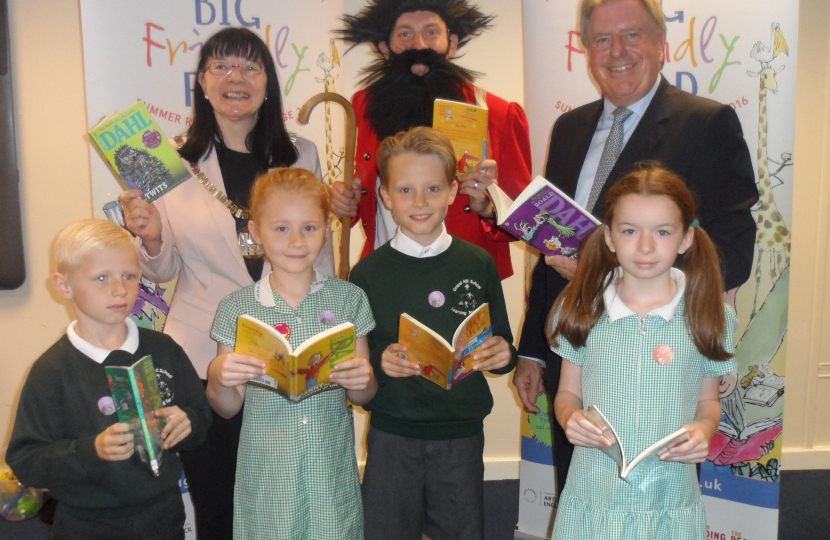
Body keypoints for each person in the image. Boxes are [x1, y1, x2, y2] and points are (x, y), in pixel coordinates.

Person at [512, 0, 758, 492]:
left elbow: (734, 245)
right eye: (602, 39)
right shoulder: (569, 129)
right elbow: (551, 246)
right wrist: (534, 351)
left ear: (661, 44)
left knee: (656, 496)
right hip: (575, 352)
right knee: (580, 492)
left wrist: (623, 274)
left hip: (659, 358)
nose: (617, 51)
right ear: (587, 50)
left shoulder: (707, 123)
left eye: (632, 35)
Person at [118, 28, 327, 539]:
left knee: (286, 502)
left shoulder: (302, 155)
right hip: (203, 357)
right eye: (221, 66)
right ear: (203, 83)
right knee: (218, 505)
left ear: (268, 83)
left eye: (250, 67)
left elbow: (318, 257)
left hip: (289, 354)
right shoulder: (170, 160)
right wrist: (150, 236)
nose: (236, 78)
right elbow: (163, 272)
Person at [549, 166, 737, 539]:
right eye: (630, 231)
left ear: (686, 238)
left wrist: (704, 429)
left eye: (663, 232)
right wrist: (570, 417)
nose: (646, 246)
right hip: (594, 494)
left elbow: (708, 401)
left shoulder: (710, 315)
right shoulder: (580, 307)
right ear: (609, 236)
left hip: (669, 498)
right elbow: (567, 393)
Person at [349, 127, 517, 540]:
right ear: (386, 196)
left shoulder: (477, 262)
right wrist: (381, 363)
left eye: (432, 189)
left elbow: (502, 345)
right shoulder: (367, 272)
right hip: (393, 432)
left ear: (452, 191)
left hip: (460, 433)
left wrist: (502, 355)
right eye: (405, 190)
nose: (420, 202)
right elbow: (361, 360)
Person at [7, 219, 211, 540]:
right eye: (102, 278)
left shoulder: (164, 349)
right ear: (64, 286)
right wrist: (91, 451)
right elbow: (26, 461)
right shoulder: (51, 371)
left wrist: (188, 423)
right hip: (86, 524)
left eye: (129, 276)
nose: (119, 290)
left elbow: (200, 418)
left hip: (163, 516)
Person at [206, 168, 377, 540]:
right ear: (256, 232)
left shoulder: (349, 299)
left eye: (310, 228)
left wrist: (363, 379)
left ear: (326, 228)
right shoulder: (237, 308)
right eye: (281, 228)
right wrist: (219, 375)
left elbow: (363, 395)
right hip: (268, 473)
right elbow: (227, 407)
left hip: (329, 468)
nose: (297, 241)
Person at [336, 0, 532, 279]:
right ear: (385, 47)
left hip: (464, 278)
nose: (419, 44)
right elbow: (363, 198)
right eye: (405, 33)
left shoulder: (499, 115)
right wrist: (345, 202)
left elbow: (525, 221)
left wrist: (489, 208)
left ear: (451, 43)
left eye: (431, 32)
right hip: (385, 276)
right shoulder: (362, 107)